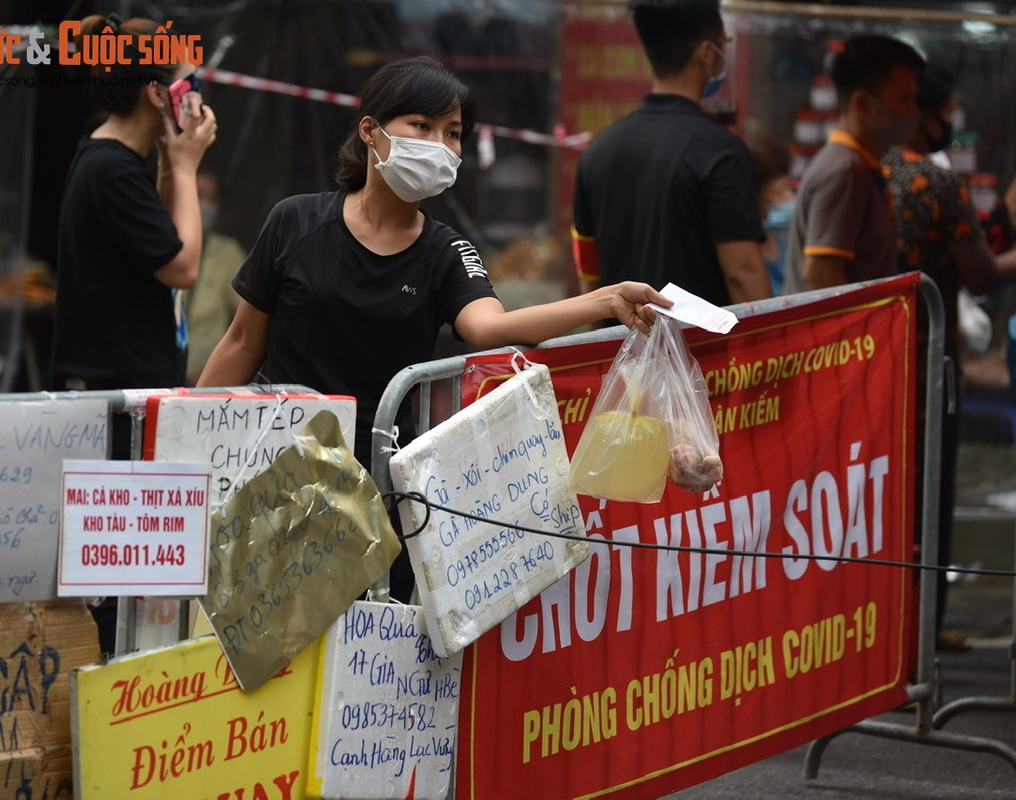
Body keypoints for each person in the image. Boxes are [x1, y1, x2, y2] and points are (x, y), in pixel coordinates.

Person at [198, 57, 670, 603]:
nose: (441, 145)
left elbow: (490, 327)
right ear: (370, 131)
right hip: (276, 471)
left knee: (367, 642)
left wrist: (607, 299)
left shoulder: (446, 252)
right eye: (422, 127)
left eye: (454, 134)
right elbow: (240, 342)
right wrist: (189, 441)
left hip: (376, 490)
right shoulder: (295, 222)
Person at [51, 12, 217, 653]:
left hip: (128, 395)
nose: (196, 93)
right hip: (114, 405)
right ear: (158, 92)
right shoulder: (113, 169)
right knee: (116, 596)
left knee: (133, 589)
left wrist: (173, 162)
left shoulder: (114, 161)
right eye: (187, 80)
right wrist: (188, 163)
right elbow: (183, 263)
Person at [883, 64, 1016, 651]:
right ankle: (923, 628)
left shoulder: (880, 172)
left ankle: (895, 627)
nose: (952, 123)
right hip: (927, 364)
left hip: (877, 359)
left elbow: (987, 235)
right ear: (925, 111)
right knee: (929, 492)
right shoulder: (935, 184)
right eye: (948, 111)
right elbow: (984, 269)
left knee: (886, 494)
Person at [571, 0, 770, 307]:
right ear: (707, 53)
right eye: (723, 44)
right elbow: (743, 274)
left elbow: (590, 281)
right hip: (701, 352)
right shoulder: (721, 152)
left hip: (622, 349)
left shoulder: (595, 154)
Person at [784, 35, 924, 293]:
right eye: (904, 100)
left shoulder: (860, 166)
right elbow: (821, 274)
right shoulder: (844, 172)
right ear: (863, 105)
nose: (914, 111)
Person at [185, 172, 248, 384]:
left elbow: (245, 325)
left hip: (207, 381)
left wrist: (212, 371)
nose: (206, 205)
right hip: (159, 378)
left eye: (212, 198)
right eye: (199, 194)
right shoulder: (162, 247)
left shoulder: (228, 252)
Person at [748, 136, 795, 295]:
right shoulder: (746, 249)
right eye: (778, 192)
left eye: (789, 188)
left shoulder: (783, 238)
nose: (789, 197)